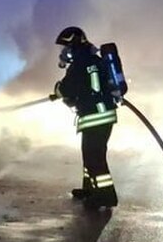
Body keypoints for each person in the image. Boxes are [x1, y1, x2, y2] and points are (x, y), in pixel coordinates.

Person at [50, 26, 118, 209]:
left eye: (66, 47)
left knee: (94, 158)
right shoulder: (94, 60)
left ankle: (106, 196)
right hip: (103, 116)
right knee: (90, 155)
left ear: (74, 45)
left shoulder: (79, 64)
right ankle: (90, 189)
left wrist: (57, 91)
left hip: (96, 117)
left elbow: (66, 89)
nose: (64, 52)